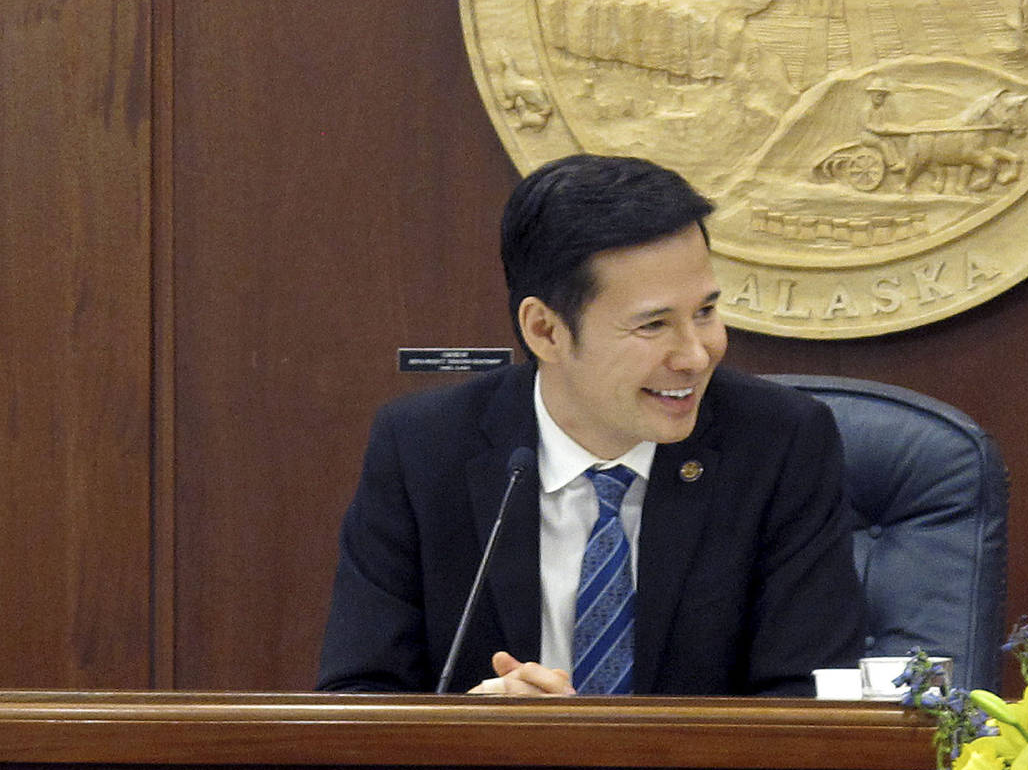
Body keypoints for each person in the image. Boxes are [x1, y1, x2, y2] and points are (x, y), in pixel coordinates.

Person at [316, 153, 862, 696]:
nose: (697, 355)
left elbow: (806, 701)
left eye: (704, 312)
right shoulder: (424, 449)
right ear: (546, 331)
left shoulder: (780, 443)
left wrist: (589, 749)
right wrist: (469, 735)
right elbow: (359, 695)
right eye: (654, 324)